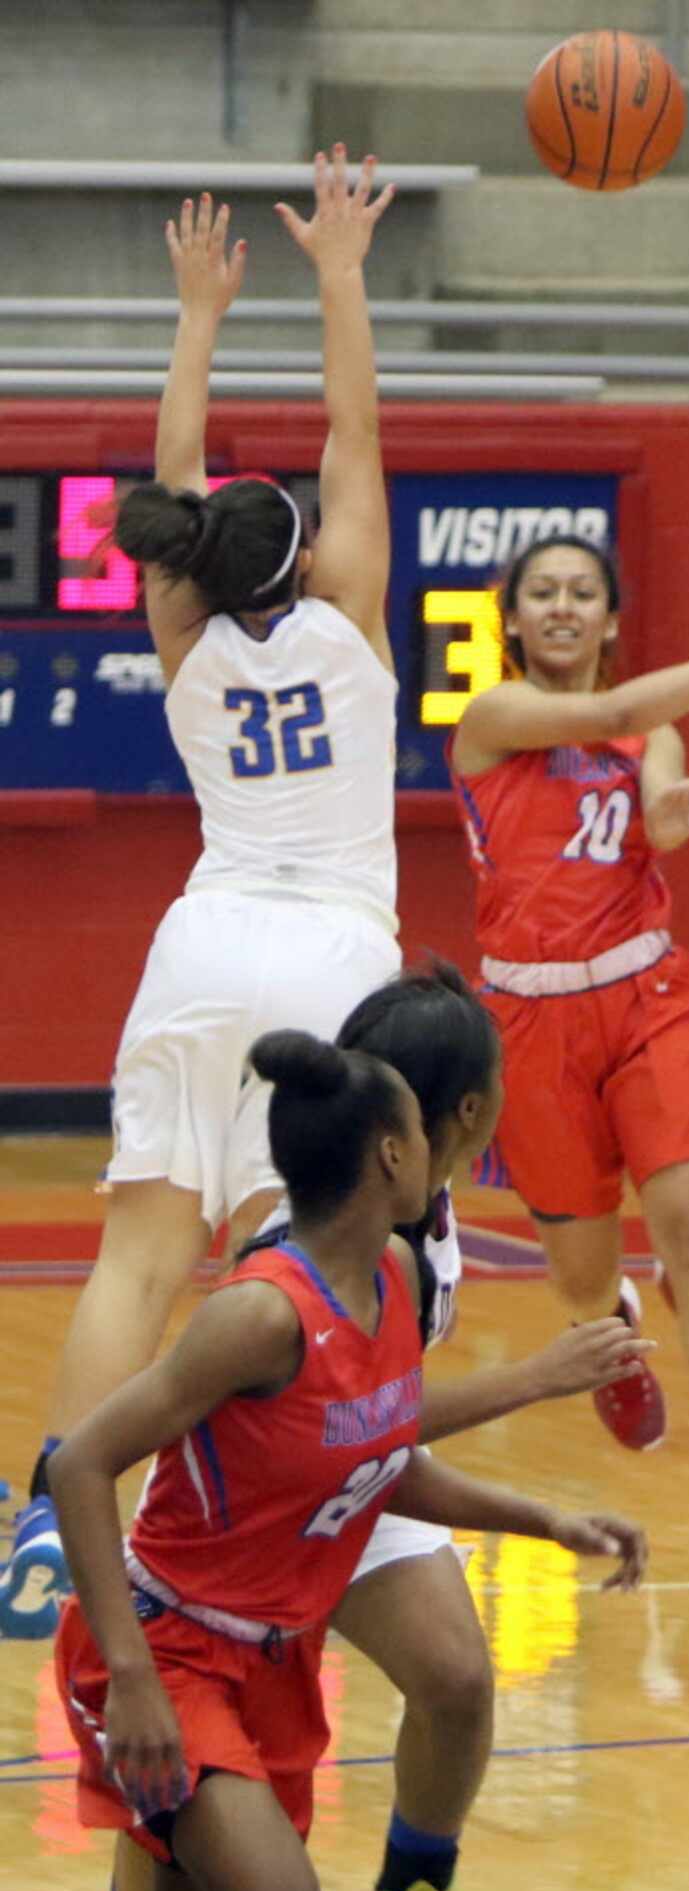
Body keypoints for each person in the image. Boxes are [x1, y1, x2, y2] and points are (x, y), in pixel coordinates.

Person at [83, 961, 650, 1891]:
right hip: (244, 1505)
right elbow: (305, 1408)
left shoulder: (402, 1243)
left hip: (352, 1466)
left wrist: (541, 1517)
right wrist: (532, 1375)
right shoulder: (296, 1260)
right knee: (222, 1874)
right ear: (454, 1116)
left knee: (455, 1674)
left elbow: (375, 1422)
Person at [0, 147, 402, 1641]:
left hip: (201, 942)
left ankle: (51, 1510)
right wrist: (340, 274)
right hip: (331, 962)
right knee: (274, 1269)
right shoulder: (353, 615)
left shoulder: (185, 641)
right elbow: (353, 427)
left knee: (136, 1258)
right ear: (307, 555)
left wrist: (196, 317)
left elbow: (169, 494)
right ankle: (239, 1547)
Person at [450, 535, 689, 1552]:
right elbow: (614, 715)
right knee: (575, 1275)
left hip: (648, 996)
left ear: (610, 619)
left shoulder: (645, 731)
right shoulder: (492, 718)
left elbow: (651, 799)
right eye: (543, 593)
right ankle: (610, 1328)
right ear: (514, 619)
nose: (563, 606)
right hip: (530, 1024)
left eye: (582, 592)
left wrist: (670, 811)